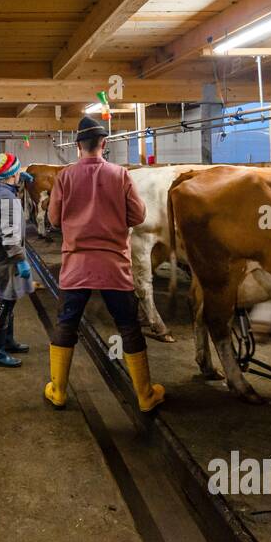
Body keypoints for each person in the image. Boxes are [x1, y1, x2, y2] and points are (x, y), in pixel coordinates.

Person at [44, 116, 165, 412]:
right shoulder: (120, 175)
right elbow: (137, 217)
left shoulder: (65, 177)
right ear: (104, 144)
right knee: (128, 326)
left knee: (65, 324)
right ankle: (145, 395)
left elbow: (53, 219)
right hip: (114, 268)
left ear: (77, 146)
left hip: (76, 267)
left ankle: (58, 391)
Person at [0, 152, 35, 367]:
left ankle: (8, 341)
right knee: (5, 302)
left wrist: (19, 183)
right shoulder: (7, 198)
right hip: (6, 258)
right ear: (12, 175)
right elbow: (10, 234)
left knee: (10, 298)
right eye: (18, 172)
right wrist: (20, 260)